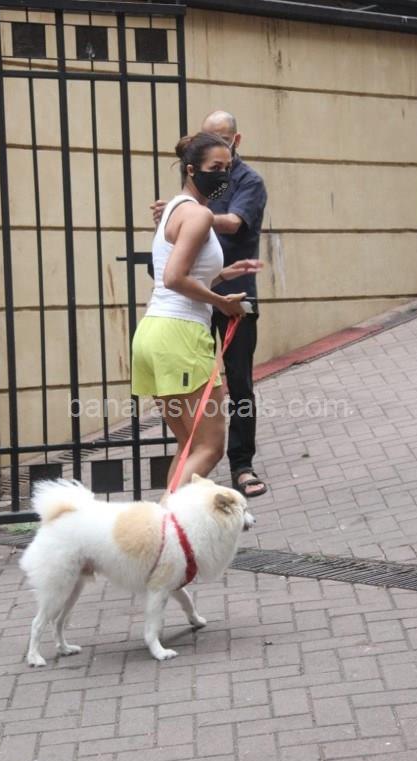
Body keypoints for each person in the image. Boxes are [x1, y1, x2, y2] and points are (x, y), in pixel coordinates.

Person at [132, 132, 263, 491]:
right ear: (191, 170)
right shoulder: (200, 215)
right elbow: (175, 278)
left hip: (153, 333)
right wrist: (222, 302)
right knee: (209, 447)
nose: (224, 175)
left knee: (189, 445)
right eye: (215, 167)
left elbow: (178, 273)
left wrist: (223, 274)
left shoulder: (174, 209)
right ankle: (166, 520)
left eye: (228, 167)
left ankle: (166, 522)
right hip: (181, 337)